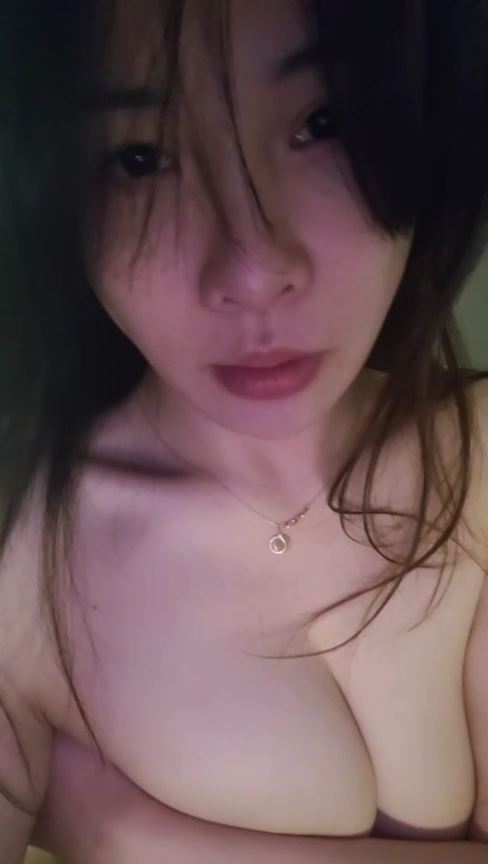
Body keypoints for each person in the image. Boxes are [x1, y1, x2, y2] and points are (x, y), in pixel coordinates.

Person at [1, 0, 488, 861]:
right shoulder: (24, 576)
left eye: (324, 122)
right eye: (140, 158)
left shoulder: (476, 442)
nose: (256, 269)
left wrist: (128, 833)